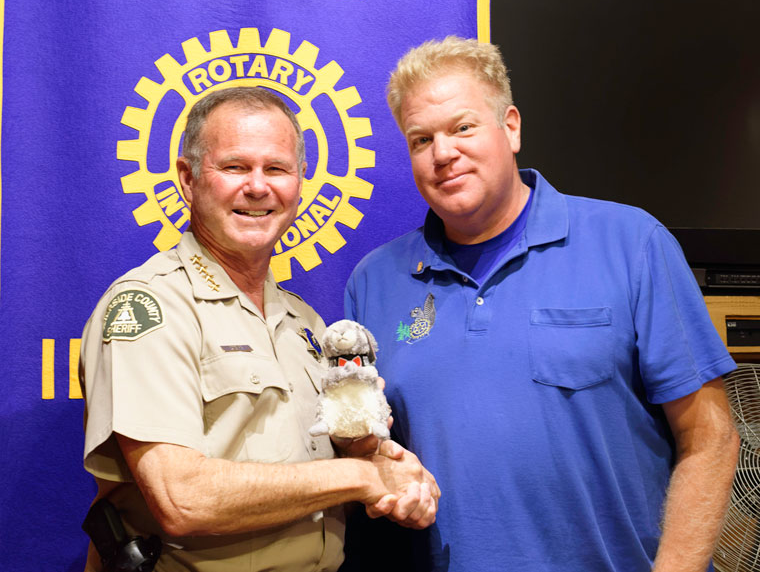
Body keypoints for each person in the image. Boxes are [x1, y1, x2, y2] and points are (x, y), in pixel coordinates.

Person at [344, 37, 739, 572]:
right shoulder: (374, 282)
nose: (442, 153)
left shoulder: (631, 243)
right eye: (421, 139)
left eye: (463, 127)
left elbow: (710, 439)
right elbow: (366, 451)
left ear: (510, 127)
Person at [79, 87, 439, 572]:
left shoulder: (307, 325)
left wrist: (384, 463)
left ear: (299, 184)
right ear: (188, 180)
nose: (257, 186)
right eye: (234, 167)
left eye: (276, 169)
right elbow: (182, 498)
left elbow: (319, 473)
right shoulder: (150, 307)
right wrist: (361, 476)